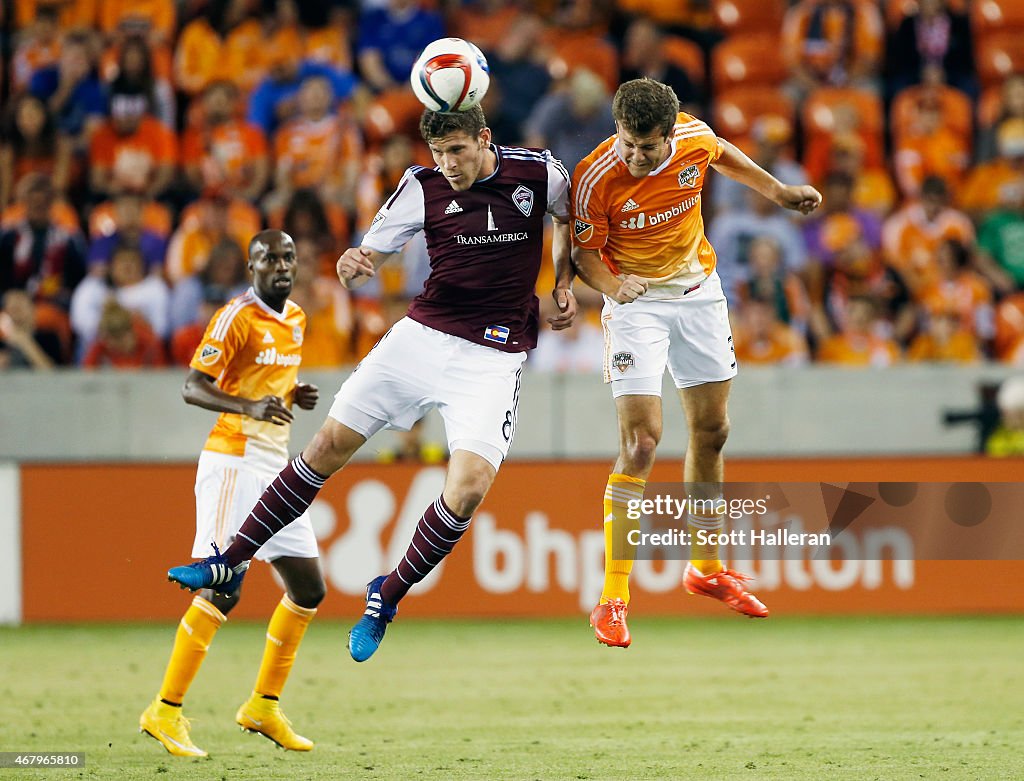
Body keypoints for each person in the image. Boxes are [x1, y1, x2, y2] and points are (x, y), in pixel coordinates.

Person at [165, 106, 576, 664]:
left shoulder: (538, 173)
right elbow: (371, 252)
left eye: (457, 151)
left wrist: (566, 279)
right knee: (326, 446)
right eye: (438, 153)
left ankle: (388, 593)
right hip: (422, 336)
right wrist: (356, 263)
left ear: (484, 138)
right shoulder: (420, 186)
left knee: (469, 488)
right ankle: (230, 558)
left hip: (494, 353)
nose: (447, 164)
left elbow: (571, 215)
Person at [570, 79, 822, 648]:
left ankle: (704, 568)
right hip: (635, 304)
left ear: (669, 135)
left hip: (700, 293)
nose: (636, 156)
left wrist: (778, 192)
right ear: (617, 130)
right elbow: (583, 258)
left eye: (648, 147)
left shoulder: (693, 138)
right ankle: (613, 598)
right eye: (628, 144)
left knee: (713, 431)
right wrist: (616, 285)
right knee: (642, 443)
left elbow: (722, 153)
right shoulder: (594, 178)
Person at [139, 230, 324, 756]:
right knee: (224, 588)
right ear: (251, 268)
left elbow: (263, 380)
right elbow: (194, 385)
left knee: (308, 588)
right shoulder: (234, 317)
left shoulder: (296, 318)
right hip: (235, 461)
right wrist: (251, 408)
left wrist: (291, 393)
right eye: (269, 259)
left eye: (289, 256)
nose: (282, 266)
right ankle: (165, 711)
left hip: (277, 468)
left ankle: (263, 706)